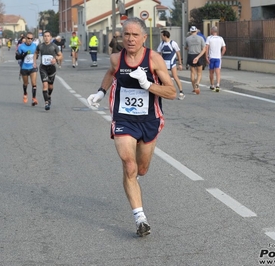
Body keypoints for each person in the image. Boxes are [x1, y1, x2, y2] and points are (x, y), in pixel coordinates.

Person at [86, 17, 176, 237]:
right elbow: (110, 73)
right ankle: (140, 218)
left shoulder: (153, 59)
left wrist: (147, 84)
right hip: (123, 119)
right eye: (127, 34)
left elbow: (171, 92)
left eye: (135, 35)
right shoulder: (117, 58)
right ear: (121, 36)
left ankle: (134, 179)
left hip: (149, 120)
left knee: (141, 169)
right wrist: (100, 92)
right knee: (129, 165)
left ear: (144, 38)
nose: (130, 39)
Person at [33, 30, 63, 111]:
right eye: (45, 36)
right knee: (45, 85)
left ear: (50, 37)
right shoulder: (40, 46)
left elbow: (60, 55)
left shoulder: (54, 46)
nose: (46, 37)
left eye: (48, 36)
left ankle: (49, 96)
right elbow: (35, 53)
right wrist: (34, 62)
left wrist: (56, 58)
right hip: (43, 68)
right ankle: (46, 102)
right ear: (43, 37)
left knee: (50, 86)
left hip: (52, 68)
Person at [157, 30, 184, 100]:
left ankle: (181, 92)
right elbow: (158, 53)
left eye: (161, 36)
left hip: (172, 63)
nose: (161, 37)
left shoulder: (173, 43)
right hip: (164, 63)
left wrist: (180, 63)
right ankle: (162, 92)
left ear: (165, 36)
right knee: (162, 77)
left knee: (175, 77)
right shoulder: (161, 44)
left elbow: (178, 53)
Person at [16, 32, 38, 106]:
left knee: (34, 83)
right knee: (25, 83)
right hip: (24, 67)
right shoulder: (21, 47)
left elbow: (37, 54)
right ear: (25, 38)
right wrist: (24, 55)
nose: (30, 40)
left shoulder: (34, 46)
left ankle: (34, 98)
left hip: (32, 67)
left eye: (31, 39)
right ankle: (25, 93)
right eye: (28, 38)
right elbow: (17, 57)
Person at [185, 26, 206, 95]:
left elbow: (186, 47)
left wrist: (189, 48)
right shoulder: (200, 38)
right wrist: (199, 56)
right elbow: (204, 48)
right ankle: (197, 83)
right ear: (196, 31)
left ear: (190, 32)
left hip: (191, 55)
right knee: (199, 73)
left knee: (192, 73)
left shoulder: (187, 39)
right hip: (198, 55)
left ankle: (194, 88)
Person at [205, 26, 226, 92]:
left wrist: (206, 56)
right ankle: (218, 85)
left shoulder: (209, 38)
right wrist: (221, 55)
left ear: (212, 31)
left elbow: (207, 48)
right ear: (217, 31)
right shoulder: (220, 38)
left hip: (211, 57)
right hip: (218, 58)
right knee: (218, 72)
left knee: (211, 72)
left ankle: (212, 85)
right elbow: (224, 48)